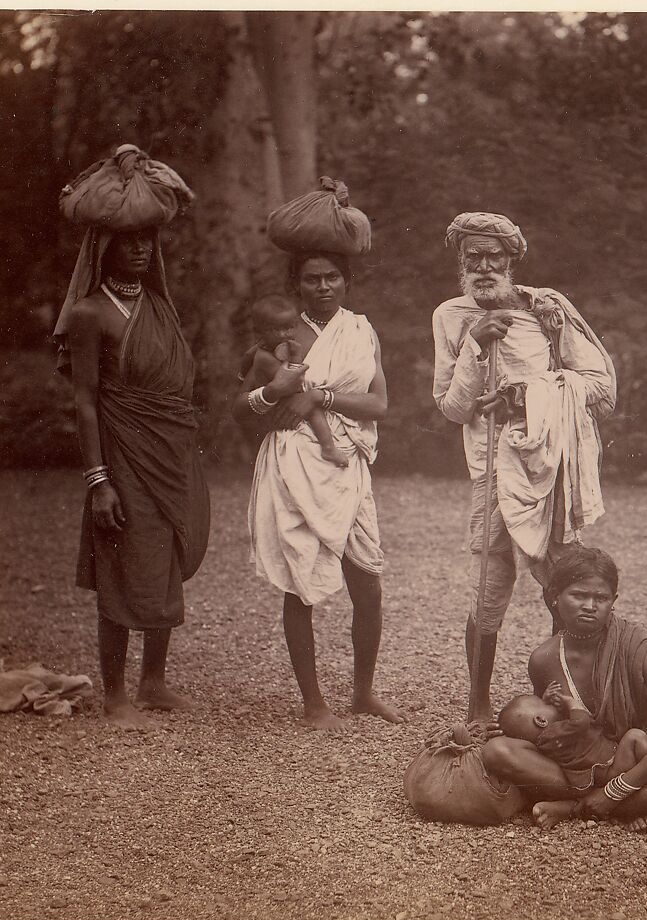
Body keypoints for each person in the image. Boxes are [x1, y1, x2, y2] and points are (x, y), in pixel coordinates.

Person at [432, 212, 618, 723]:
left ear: (512, 260)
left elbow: (601, 388)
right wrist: (475, 343)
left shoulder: (548, 310)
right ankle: (478, 705)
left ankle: (571, 698)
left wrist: (522, 396)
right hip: (490, 469)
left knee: (560, 582)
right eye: (474, 256)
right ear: (461, 261)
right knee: (490, 585)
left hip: (550, 467)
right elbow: (450, 407)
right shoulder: (449, 316)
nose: (485, 265)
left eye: (495, 256)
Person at [234, 251, 404, 731]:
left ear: (346, 281)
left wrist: (319, 396)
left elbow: (379, 403)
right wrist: (272, 393)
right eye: (312, 279)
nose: (323, 286)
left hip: (345, 462)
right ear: (298, 284)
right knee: (300, 583)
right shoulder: (280, 337)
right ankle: (313, 703)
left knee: (367, 584)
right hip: (296, 463)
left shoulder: (360, 330)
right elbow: (237, 407)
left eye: (332, 277)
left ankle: (363, 692)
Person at [55, 222, 210, 732]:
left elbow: (174, 383)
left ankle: (153, 682)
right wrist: (98, 480)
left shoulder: (160, 306)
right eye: (129, 240)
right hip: (122, 453)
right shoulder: (88, 312)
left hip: (171, 451)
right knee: (121, 561)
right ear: (104, 247)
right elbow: (84, 400)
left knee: (165, 553)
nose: (142, 248)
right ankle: (116, 694)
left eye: (148, 239)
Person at [481, 547, 647, 830]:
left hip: (631, 757)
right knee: (498, 752)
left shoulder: (637, 646)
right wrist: (512, 729)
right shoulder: (544, 659)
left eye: (601, 598)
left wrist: (614, 791)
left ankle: (577, 807)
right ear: (554, 597)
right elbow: (550, 730)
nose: (590, 605)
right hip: (581, 765)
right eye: (579, 595)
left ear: (613, 602)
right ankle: (630, 806)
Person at [240, 300, 348, 468]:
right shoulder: (264, 357)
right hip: (282, 400)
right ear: (260, 332)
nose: (285, 334)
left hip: (282, 398)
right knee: (313, 409)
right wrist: (297, 356)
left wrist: (241, 374)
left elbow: (247, 355)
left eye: (289, 328)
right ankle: (329, 447)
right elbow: (294, 381)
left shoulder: (266, 347)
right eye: (277, 329)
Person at [498, 681, 647, 791]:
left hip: (602, 770)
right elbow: (581, 722)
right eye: (545, 703)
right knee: (635, 737)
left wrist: (545, 701)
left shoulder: (547, 740)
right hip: (610, 769)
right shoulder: (555, 733)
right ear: (541, 720)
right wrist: (570, 702)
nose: (552, 703)